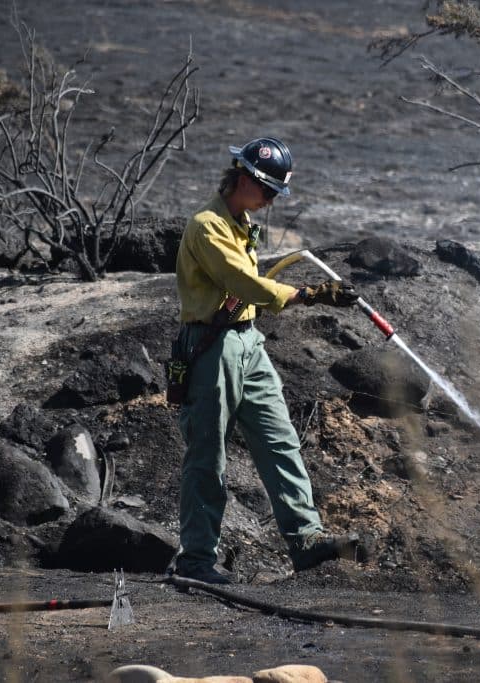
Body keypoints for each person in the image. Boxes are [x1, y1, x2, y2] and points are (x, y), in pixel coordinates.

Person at [171, 136, 360, 585]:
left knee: (280, 440)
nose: (272, 199)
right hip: (210, 348)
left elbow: (249, 288)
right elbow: (244, 281)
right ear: (241, 178)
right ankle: (196, 560)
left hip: (247, 342)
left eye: (277, 193)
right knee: (207, 456)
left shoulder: (240, 223)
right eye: (267, 189)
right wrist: (308, 294)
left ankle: (306, 540)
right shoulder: (208, 225)